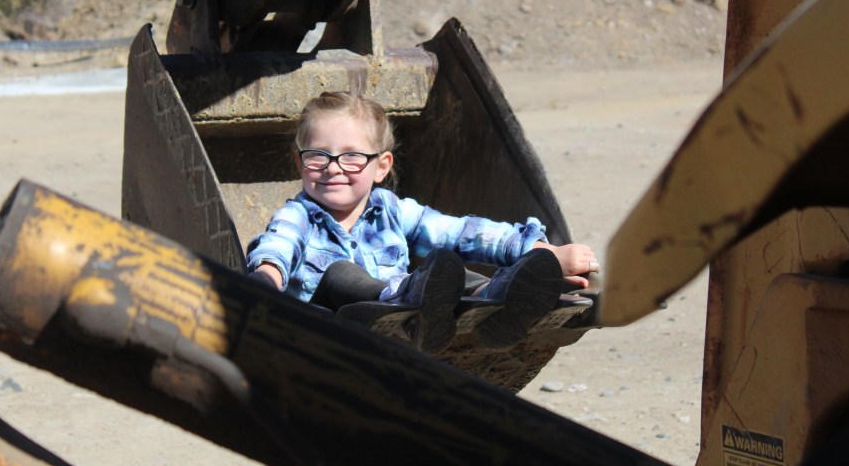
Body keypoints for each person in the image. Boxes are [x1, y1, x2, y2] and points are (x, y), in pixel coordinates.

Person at [246, 92, 600, 354]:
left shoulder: (394, 211)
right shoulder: (299, 215)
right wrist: (264, 281)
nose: (333, 168)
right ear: (300, 163)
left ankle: (502, 304)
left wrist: (538, 250)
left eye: (351, 157)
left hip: (412, 316)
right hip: (337, 325)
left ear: (381, 166)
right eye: (317, 157)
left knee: (453, 268)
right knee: (340, 272)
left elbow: (460, 232)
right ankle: (413, 300)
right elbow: (277, 247)